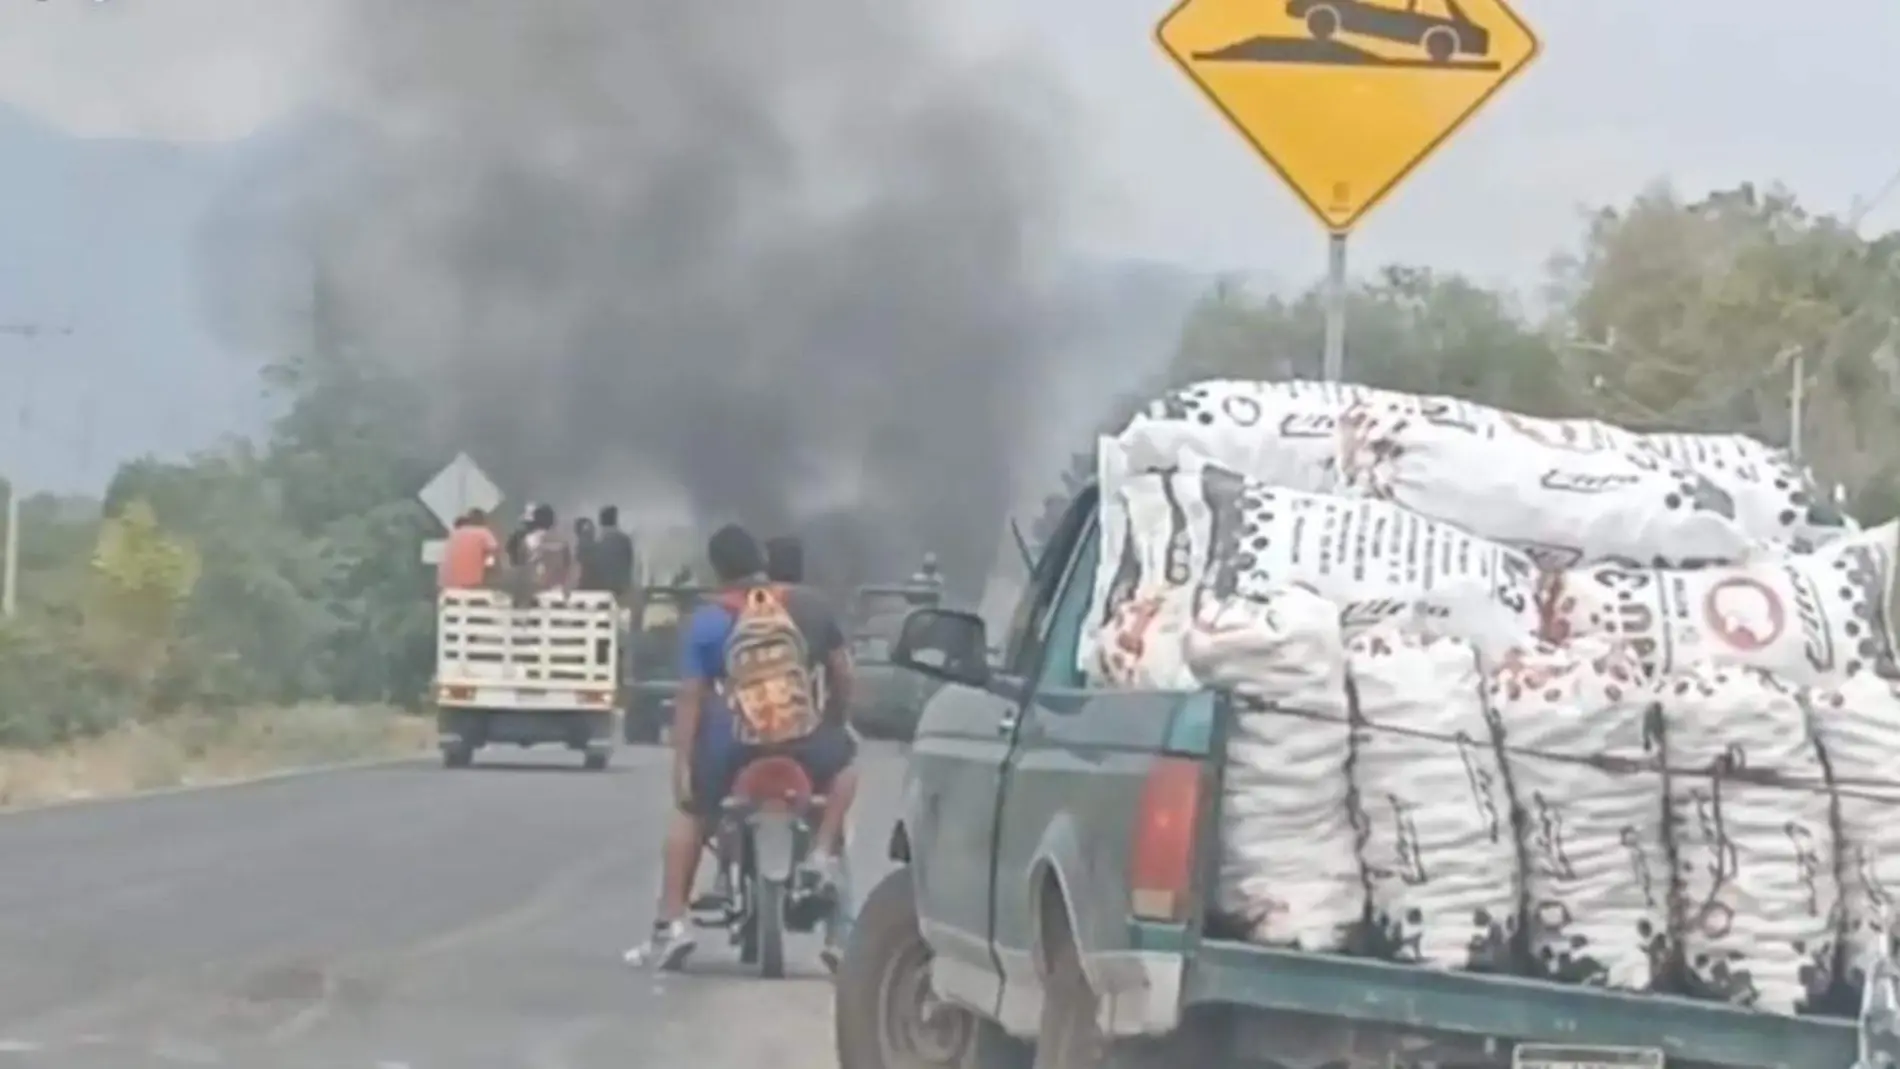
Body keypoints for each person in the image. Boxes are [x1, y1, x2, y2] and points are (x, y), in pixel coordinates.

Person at [625, 525, 859, 973]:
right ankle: (827, 880)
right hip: (802, 739)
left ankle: (671, 923)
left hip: (733, 745)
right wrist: (834, 719)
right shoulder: (808, 607)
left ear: (717, 570)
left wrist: (684, 767)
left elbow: (691, 698)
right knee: (842, 775)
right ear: (762, 562)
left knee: (692, 814)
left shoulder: (709, 621)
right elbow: (843, 674)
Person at [437, 509, 499, 590]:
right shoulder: (483, 532)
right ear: (483, 521)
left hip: (445, 585)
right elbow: (493, 552)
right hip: (470, 585)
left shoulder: (453, 534)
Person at [592, 505, 636, 598]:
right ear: (615, 520)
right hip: (622, 588)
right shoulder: (625, 540)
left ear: (601, 522)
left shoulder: (599, 542)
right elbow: (629, 562)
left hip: (602, 588)